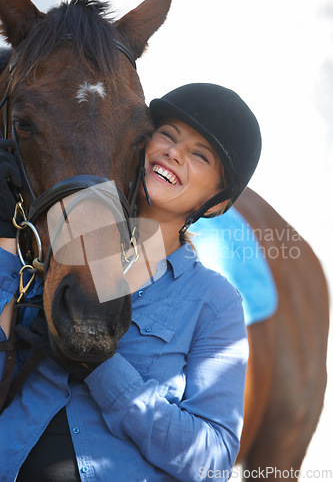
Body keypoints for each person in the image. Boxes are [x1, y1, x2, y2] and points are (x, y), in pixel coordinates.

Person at [0, 83, 261, 481]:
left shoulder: (215, 302)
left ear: (218, 202)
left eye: (199, 155)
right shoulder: (55, 251)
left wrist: (102, 369)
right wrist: (5, 247)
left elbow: (213, 463)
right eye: (168, 136)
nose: (174, 153)